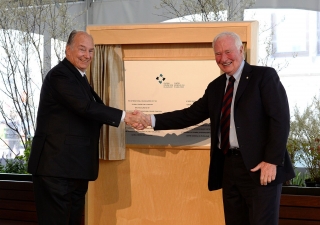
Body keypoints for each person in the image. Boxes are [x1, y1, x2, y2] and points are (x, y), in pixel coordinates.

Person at [138, 31, 295, 225]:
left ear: (241, 50)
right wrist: (150, 119)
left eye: (228, 51)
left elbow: (280, 119)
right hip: (229, 167)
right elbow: (189, 115)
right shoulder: (216, 87)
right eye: (218, 54)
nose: (223, 58)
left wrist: (271, 161)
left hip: (260, 168)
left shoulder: (263, 76)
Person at [27, 30, 146, 225]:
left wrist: (127, 117)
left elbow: (92, 109)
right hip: (55, 170)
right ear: (68, 50)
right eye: (82, 49)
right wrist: (125, 117)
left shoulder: (79, 77)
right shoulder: (60, 76)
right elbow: (86, 107)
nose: (87, 55)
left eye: (91, 51)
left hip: (73, 170)